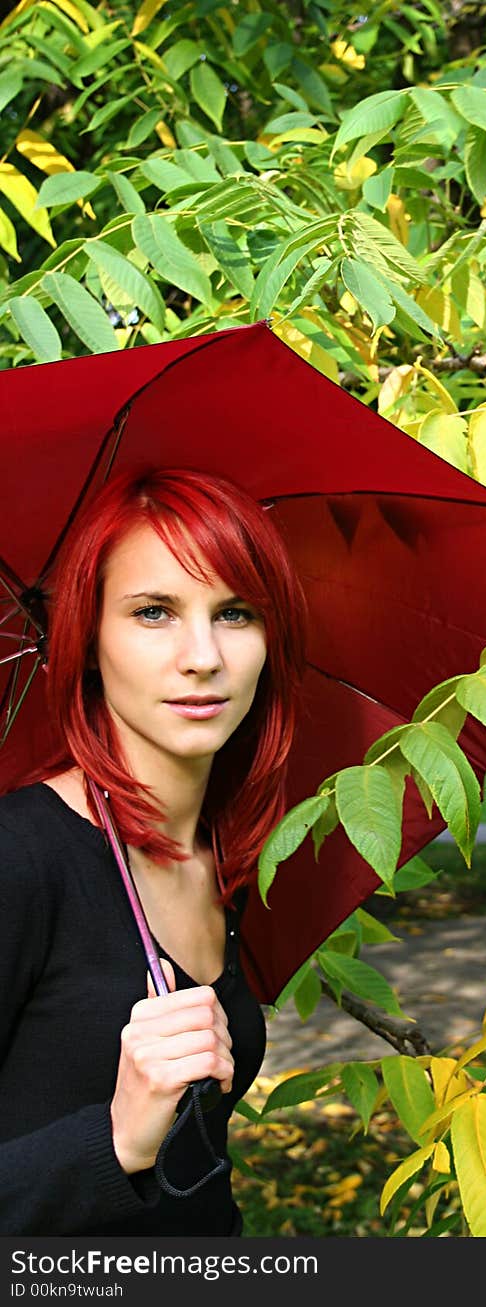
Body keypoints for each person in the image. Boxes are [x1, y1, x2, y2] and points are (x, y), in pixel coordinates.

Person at [0, 466, 305, 1236]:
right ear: (90, 641)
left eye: (234, 613)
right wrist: (113, 1139)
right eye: (153, 611)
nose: (203, 655)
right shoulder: (21, 859)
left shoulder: (220, 856)